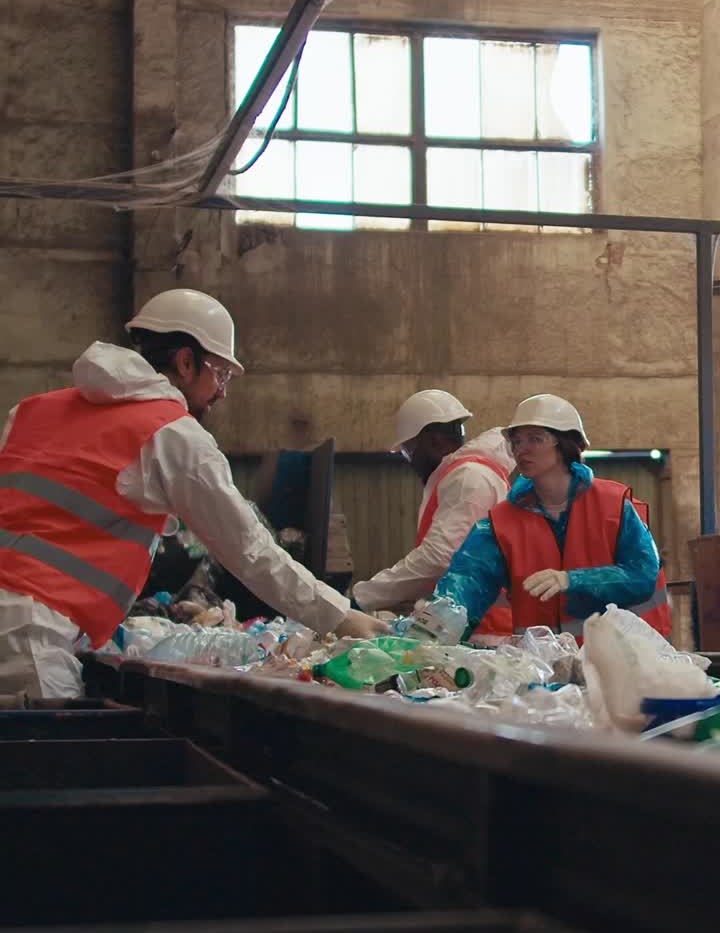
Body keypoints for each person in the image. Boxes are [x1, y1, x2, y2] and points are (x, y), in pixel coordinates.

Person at [0, 288, 387, 698]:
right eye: (220, 374)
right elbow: (249, 549)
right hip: (29, 637)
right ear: (185, 362)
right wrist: (339, 617)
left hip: (32, 627)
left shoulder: (30, 411)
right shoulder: (171, 434)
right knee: (46, 759)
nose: (222, 392)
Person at [432, 393, 670, 643]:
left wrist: (572, 579)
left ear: (565, 444)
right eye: (516, 440)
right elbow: (466, 583)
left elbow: (643, 575)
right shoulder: (501, 523)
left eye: (535, 439)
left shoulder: (614, 505)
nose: (521, 449)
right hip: (548, 670)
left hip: (625, 663)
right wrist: (426, 626)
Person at [353, 389, 515, 639]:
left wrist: (362, 597)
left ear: (432, 442)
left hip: (482, 631)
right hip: (468, 624)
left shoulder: (468, 478)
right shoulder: (469, 474)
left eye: (408, 450)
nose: (409, 460)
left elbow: (439, 557)